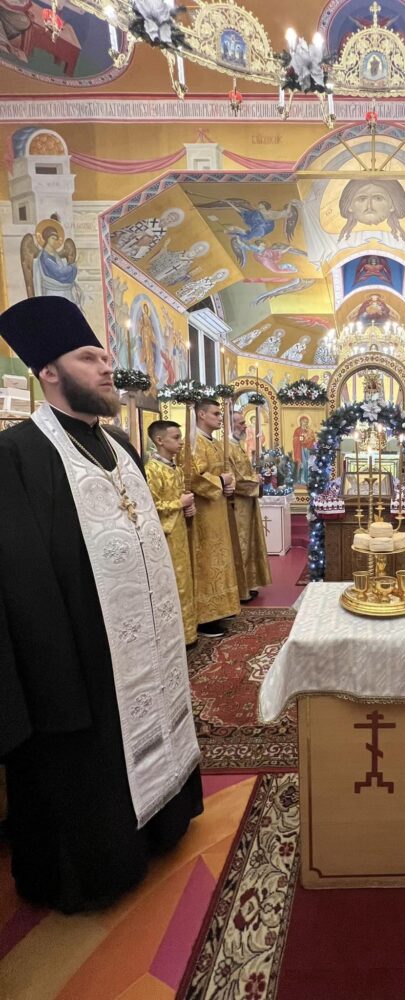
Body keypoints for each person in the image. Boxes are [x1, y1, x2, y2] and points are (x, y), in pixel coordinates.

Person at [0, 296, 202, 914]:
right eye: (89, 358)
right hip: (80, 658)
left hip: (144, 642)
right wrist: (54, 682)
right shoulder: (17, 456)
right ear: (49, 372)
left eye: (106, 356)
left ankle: (161, 826)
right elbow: (19, 581)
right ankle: (98, 869)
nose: (107, 367)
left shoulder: (119, 445)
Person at [145, 420, 197, 646]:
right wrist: (179, 504)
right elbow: (149, 507)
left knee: (184, 581)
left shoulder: (176, 468)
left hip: (180, 534)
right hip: (166, 538)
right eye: (176, 437)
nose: (181, 442)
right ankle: (175, 637)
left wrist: (188, 509)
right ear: (159, 440)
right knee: (173, 583)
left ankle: (188, 632)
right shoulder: (151, 471)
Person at [192, 398, 241, 636]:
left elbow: (227, 472)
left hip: (219, 509)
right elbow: (193, 476)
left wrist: (230, 484)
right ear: (201, 415)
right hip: (204, 513)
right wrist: (221, 481)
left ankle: (222, 607)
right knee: (208, 559)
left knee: (221, 557)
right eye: (215, 413)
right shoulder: (194, 443)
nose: (220, 418)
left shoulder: (216, 442)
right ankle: (206, 616)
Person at [228, 411, 272, 601]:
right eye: (241, 423)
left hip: (247, 503)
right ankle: (240, 590)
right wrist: (255, 481)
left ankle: (248, 584)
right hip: (237, 506)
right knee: (241, 545)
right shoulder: (227, 448)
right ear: (229, 424)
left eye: (244, 422)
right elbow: (234, 479)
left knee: (250, 543)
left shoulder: (236, 446)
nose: (245, 426)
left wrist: (255, 477)